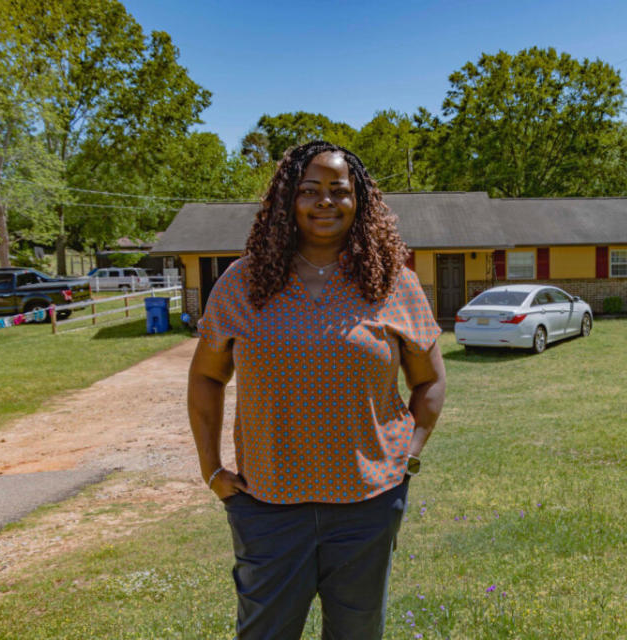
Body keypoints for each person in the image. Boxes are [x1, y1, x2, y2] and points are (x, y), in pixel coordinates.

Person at [187, 140, 446, 640]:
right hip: (267, 506)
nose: (325, 201)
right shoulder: (241, 283)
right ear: (288, 200)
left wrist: (407, 457)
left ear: (359, 201)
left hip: (367, 506)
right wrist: (210, 469)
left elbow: (430, 379)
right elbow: (206, 376)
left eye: (338, 190)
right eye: (310, 190)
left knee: (357, 633)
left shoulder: (393, 283)